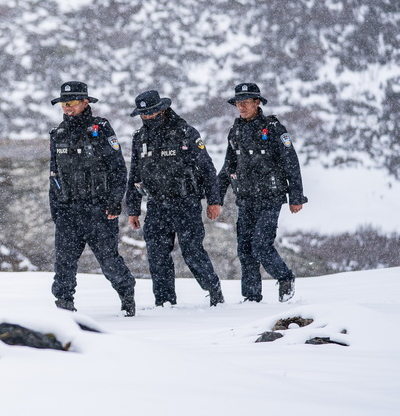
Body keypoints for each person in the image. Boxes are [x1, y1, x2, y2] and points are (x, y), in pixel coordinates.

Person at [125, 90, 225, 307]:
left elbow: (207, 168)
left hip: (185, 203)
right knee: (157, 254)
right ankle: (164, 302)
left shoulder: (185, 132)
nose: (148, 117)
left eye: (151, 113)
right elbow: (134, 174)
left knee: (192, 252)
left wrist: (214, 200)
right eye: (143, 114)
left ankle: (214, 291)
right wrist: (132, 209)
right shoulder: (139, 138)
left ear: (162, 109)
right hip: (156, 205)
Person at [49, 81, 136, 316]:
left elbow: (118, 169)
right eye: (64, 104)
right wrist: (55, 209)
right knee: (64, 263)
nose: (67, 108)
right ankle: (64, 306)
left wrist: (115, 201)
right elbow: (54, 174)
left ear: (85, 102)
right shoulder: (58, 134)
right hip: (68, 210)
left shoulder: (102, 128)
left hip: (99, 209)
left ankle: (127, 295)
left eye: (72, 103)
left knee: (108, 261)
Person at [217, 82, 307, 303]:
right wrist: (215, 197)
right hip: (245, 199)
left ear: (257, 103)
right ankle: (251, 297)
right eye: (238, 103)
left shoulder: (274, 128)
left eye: (246, 103)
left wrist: (296, 196)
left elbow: (291, 162)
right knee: (245, 249)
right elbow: (228, 167)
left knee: (260, 245)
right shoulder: (235, 130)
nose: (241, 107)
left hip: (270, 197)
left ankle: (285, 277)